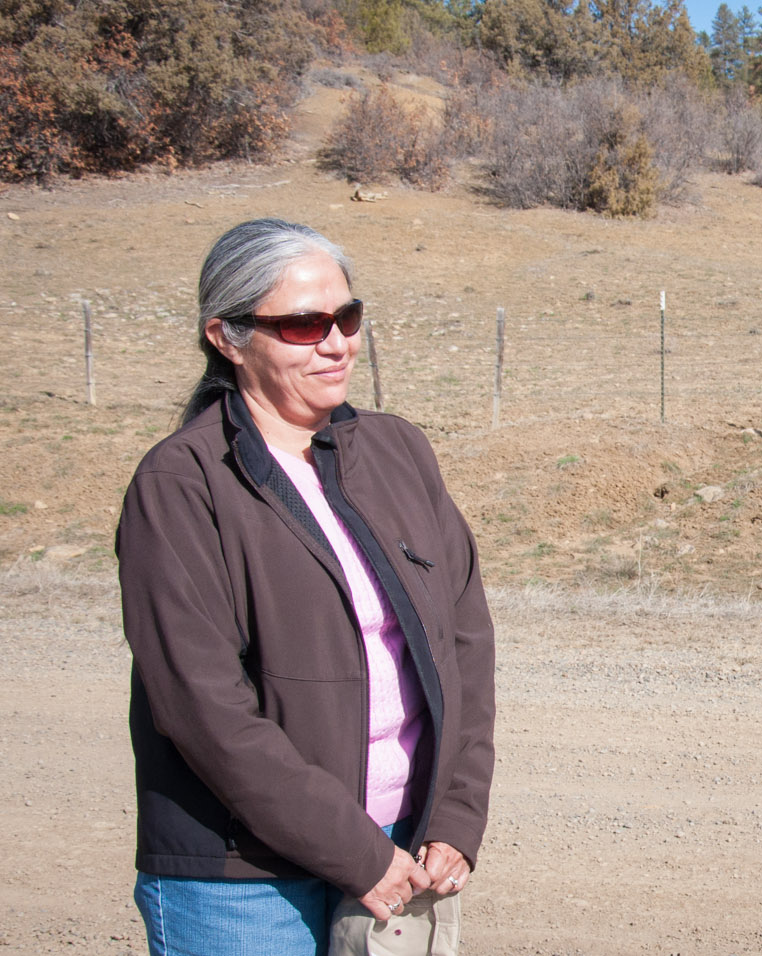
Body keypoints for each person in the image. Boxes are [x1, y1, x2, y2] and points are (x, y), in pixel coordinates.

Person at [117, 219, 495, 954]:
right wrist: (354, 854)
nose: (337, 342)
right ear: (226, 337)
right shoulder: (180, 486)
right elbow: (203, 711)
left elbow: (465, 644)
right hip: (240, 876)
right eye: (303, 324)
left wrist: (456, 812)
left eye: (347, 316)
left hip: (403, 844)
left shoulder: (397, 451)